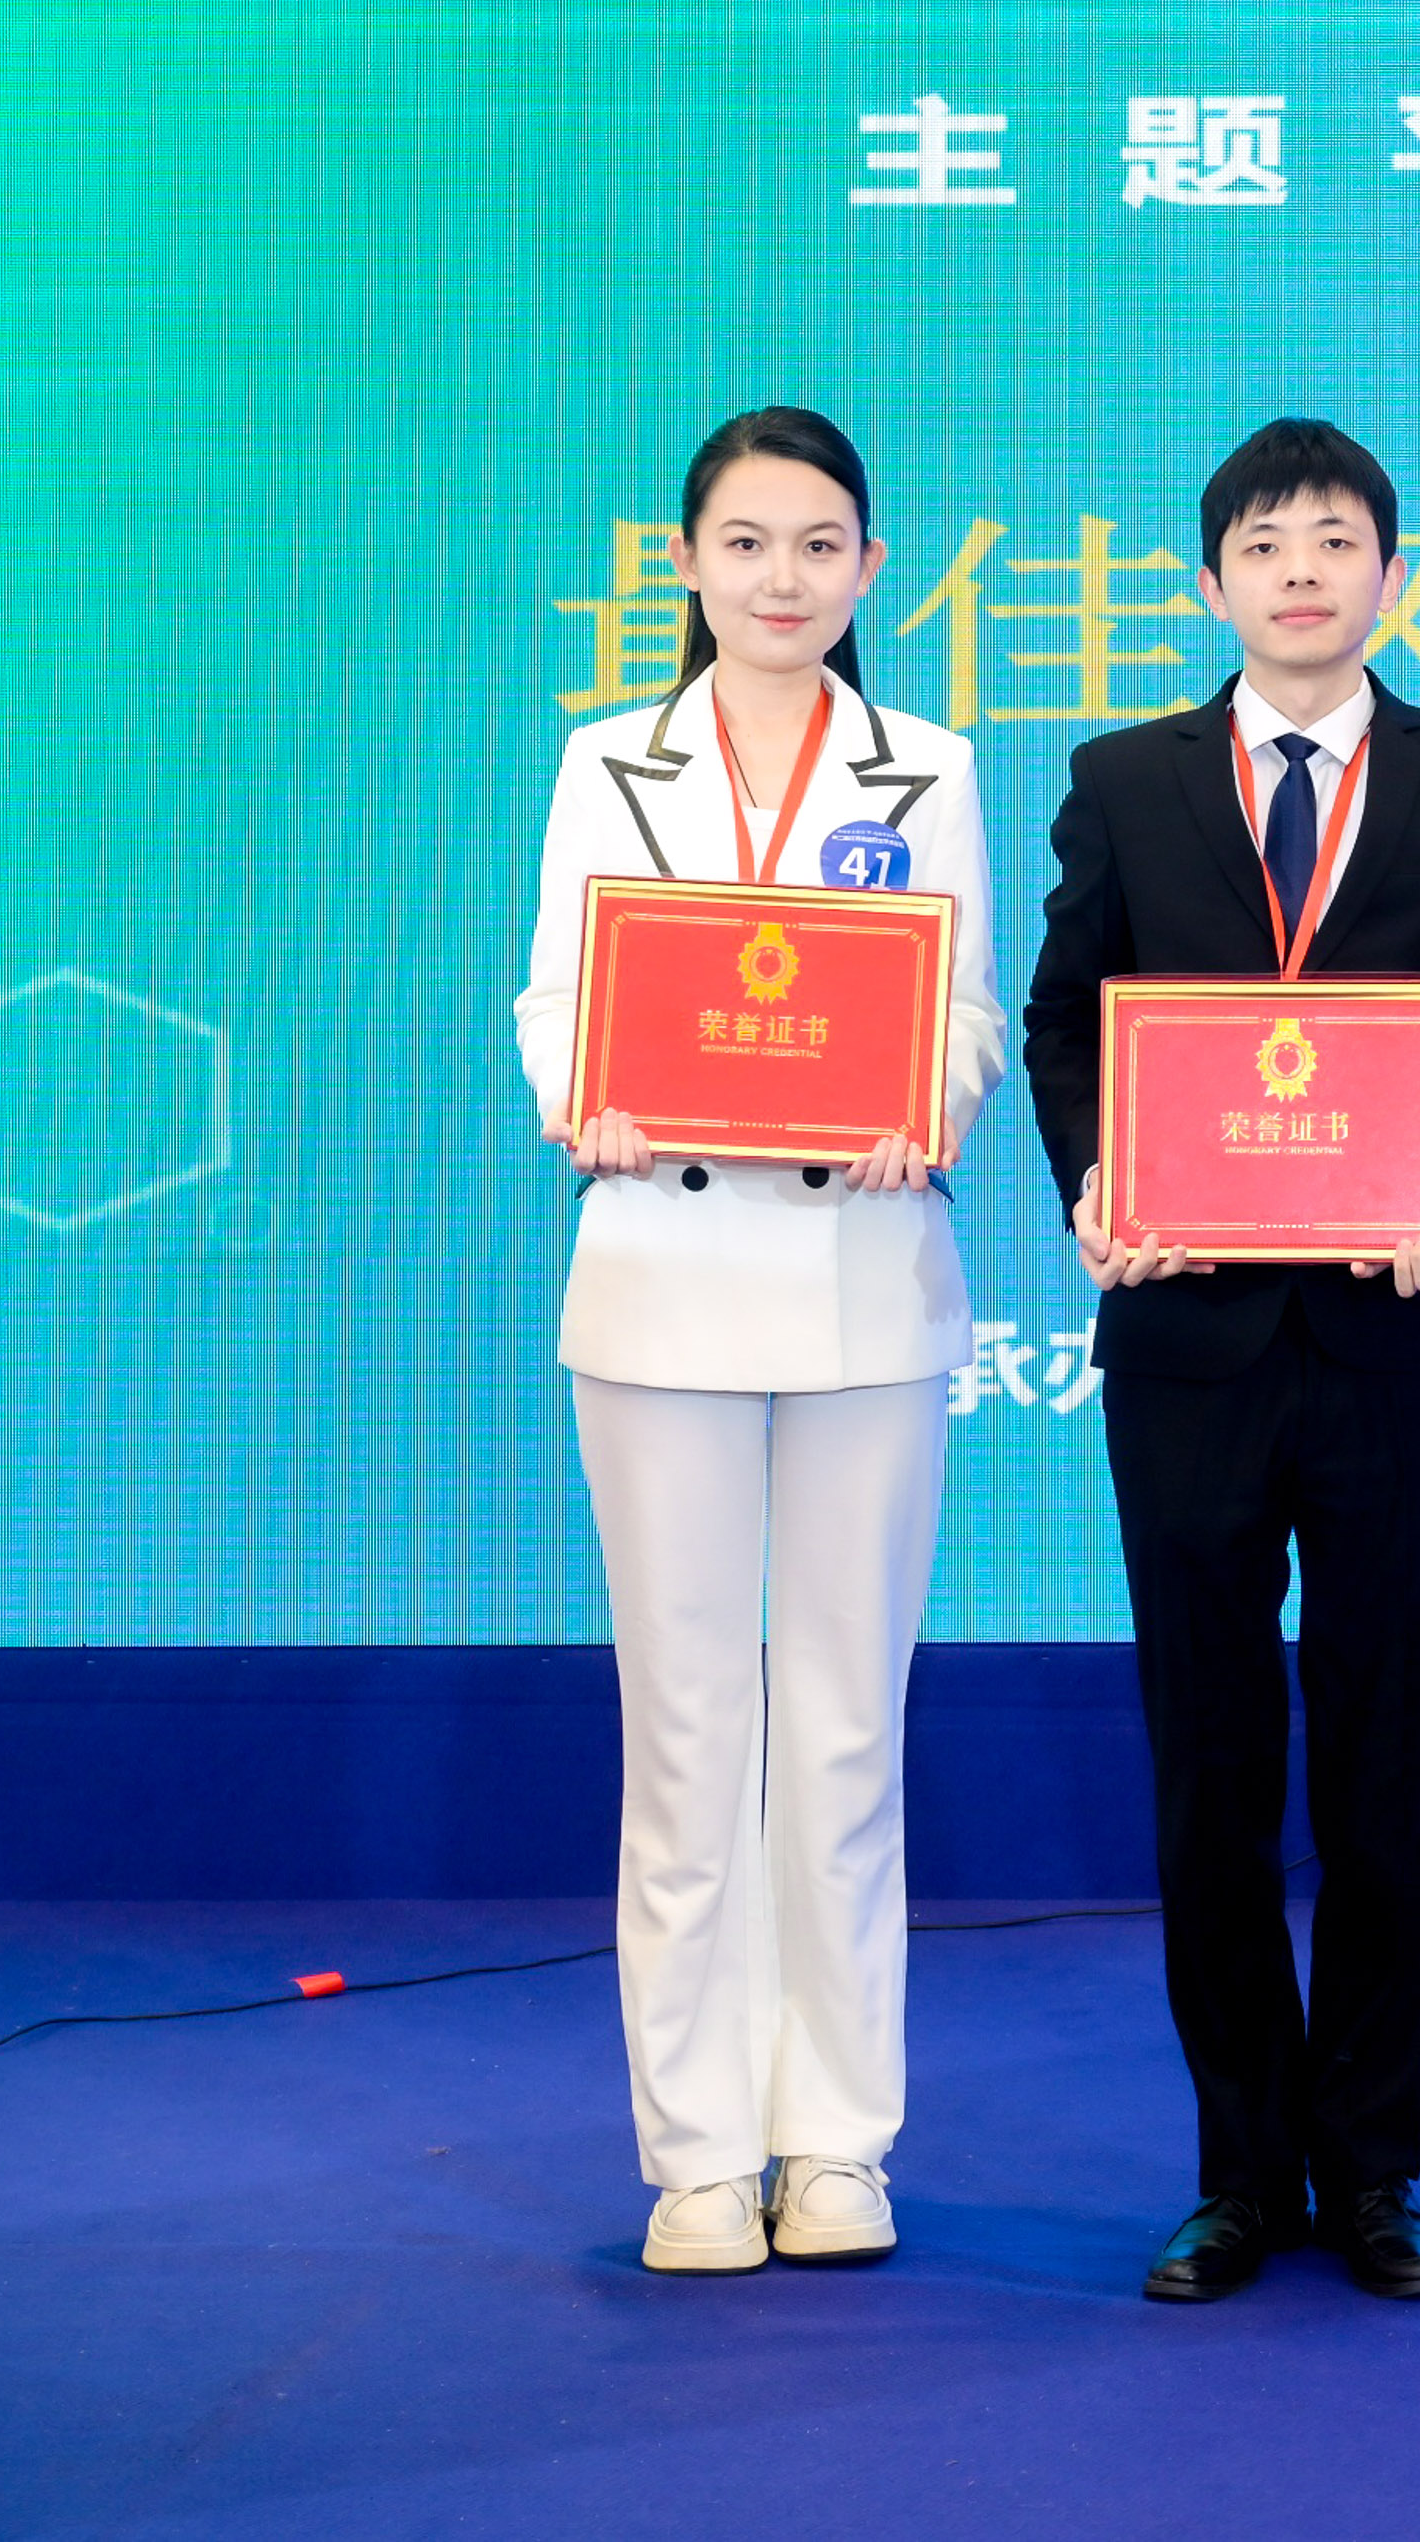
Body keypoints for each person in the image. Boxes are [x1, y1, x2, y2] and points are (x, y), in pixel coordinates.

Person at [1021, 418, 1420, 2305]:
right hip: (1186, 1334)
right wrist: (1097, 1182)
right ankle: (1237, 2173)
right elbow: (1064, 1027)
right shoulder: (1123, 778)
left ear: (1391, 579)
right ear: (1212, 583)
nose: (1299, 572)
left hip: (1392, 1330)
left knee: (1381, 1764)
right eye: (1263, 543)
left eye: (1335, 540)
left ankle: (1374, 2171)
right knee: (1208, 1766)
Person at [512, 404, 1007, 2278]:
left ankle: (841, 2139)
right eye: (745, 541)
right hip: (659, 1271)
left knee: (849, 1730)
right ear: (688, 562)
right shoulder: (607, 760)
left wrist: (925, 1104)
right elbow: (559, 993)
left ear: (870, 568)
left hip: (864, 1278)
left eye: (817, 544)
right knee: (690, 1733)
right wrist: (583, 1097)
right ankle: (701, 2149)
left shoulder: (929, 765)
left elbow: (965, 1008)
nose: (781, 577)